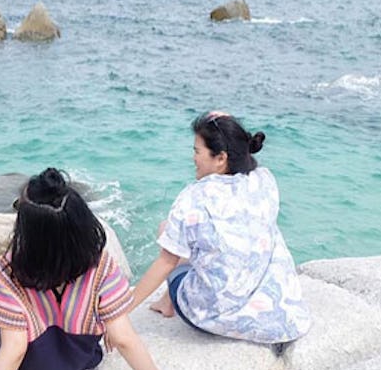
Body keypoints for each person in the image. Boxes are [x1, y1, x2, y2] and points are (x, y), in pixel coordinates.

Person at [0, 168, 196, 370]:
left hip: (30, 365)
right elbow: (124, 339)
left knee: (5, 336)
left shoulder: (11, 270)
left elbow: (14, 350)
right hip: (78, 357)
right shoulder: (98, 264)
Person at [133, 111, 311, 345]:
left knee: (167, 230)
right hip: (276, 313)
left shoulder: (194, 197)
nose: (193, 158)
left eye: (197, 151)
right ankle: (166, 301)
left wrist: (120, 311)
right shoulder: (263, 179)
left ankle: (167, 302)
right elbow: (238, 148)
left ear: (220, 158)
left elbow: (166, 262)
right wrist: (223, 123)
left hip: (212, 314)